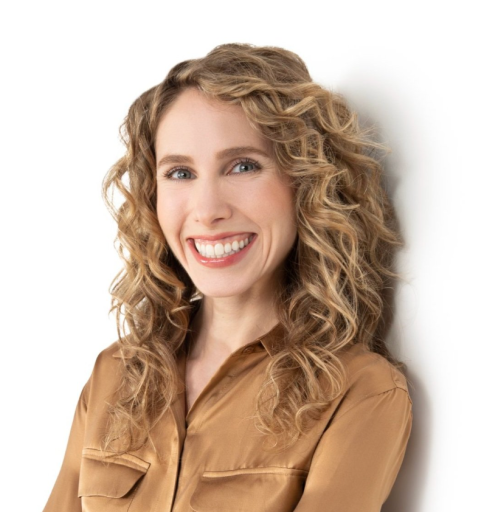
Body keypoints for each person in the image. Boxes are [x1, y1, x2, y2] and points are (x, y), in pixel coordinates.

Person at [44, 43, 412, 512]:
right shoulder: (114, 375)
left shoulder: (360, 391)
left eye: (243, 166)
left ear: (305, 183)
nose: (208, 210)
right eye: (180, 172)